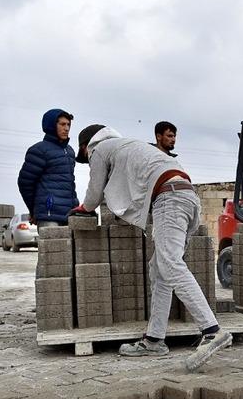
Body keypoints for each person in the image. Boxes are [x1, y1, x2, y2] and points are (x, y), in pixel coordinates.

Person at [71, 124, 231, 370]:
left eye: (85, 156)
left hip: (169, 198)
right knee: (160, 270)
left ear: (86, 146)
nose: (89, 159)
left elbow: (94, 193)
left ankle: (212, 331)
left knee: (170, 264)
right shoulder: (131, 146)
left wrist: (84, 208)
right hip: (187, 196)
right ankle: (155, 340)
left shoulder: (100, 149)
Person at [17, 109, 78, 229]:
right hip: (48, 215)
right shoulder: (39, 150)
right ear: (51, 125)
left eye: (68, 125)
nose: (66, 128)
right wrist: (33, 209)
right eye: (62, 124)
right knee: (53, 247)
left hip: (69, 214)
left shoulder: (69, 151)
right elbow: (25, 183)